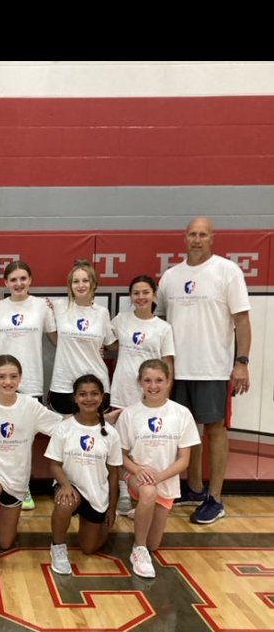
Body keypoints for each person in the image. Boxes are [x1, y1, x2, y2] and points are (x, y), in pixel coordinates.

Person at [156, 216, 251, 524]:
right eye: (192, 234)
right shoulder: (171, 276)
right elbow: (158, 321)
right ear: (185, 238)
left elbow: (242, 320)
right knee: (185, 432)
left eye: (203, 235)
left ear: (213, 238)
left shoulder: (227, 271)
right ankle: (194, 489)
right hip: (177, 370)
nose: (196, 240)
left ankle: (216, 498)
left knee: (215, 430)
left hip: (213, 368)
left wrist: (242, 362)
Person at [0, 355, 62, 578]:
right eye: (2, 377)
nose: (7, 381)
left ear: (20, 379)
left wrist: (99, 421)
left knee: (6, 542)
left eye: (13, 377)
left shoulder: (30, 406)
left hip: (16, 478)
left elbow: (63, 426)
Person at [116, 360, 200, 578]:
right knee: (148, 493)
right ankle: (138, 549)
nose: (153, 386)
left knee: (155, 544)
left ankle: (144, 519)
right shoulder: (130, 414)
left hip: (166, 480)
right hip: (137, 477)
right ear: (140, 383)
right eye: (147, 380)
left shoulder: (181, 414)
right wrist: (137, 469)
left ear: (169, 382)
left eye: (159, 380)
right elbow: (121, 455)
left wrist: (160, 476)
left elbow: (184, 460)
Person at [0, 260, 56, 510]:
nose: (18, 283)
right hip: (1, 383)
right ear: (5, 283)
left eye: (23, 278)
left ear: (30, 280)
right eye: (13, 279)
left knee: (23, 440)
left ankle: (22, 487)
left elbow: (57, 338)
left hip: (32, 381)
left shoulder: (42, 306)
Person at [108, 274, 175, 512]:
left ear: (154, 295)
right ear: (131, 297)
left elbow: (168, 364)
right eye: (136, 293)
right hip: (121, 392)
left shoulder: (163, 328)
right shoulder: (120, 320)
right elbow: (106, 342)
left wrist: (165, 396)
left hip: (150, 396)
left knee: (145, 446)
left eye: (145, 292)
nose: (140, 297)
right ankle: (123, 492)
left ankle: (144, 495)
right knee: (120, 447)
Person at [46, 374, 122, 577]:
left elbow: (114, 475)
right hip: (70, 486)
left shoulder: (111, 434)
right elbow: (54, 464)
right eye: (83, 394)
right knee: (65, 502)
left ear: (102, 398)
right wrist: (65, 485)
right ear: (75, 398)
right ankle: (58, 547)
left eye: (94, 394)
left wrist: (112, 509)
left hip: (97, 494)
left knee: (89, 549)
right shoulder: (64, 428)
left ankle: (96, 522)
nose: (89, 399)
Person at [48, 259, 115, 416]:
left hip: (95, 384)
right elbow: (28, 306)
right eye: (75, 281)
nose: (80, 285)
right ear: (70, 286)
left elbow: (112, 343)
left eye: (85, 280)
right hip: (63, 384)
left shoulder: (102, 312)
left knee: (94, 435)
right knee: (66, 436)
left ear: (93, 284)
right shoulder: (58, 307)